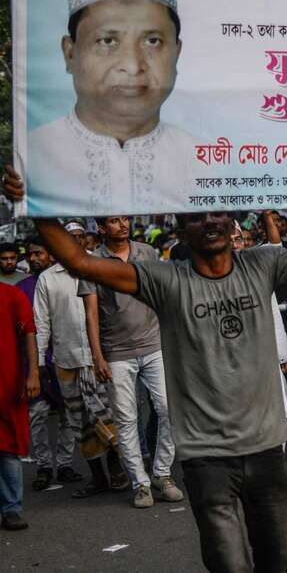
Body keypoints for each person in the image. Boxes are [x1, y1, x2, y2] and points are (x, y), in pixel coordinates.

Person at [2, 163, 287, 571]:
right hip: (206, 458)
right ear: (184, 226)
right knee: (228, 563)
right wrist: (35, 207)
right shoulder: (165, 279)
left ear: (232, 221)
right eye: (199, 215)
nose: (211, 221)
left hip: (266, 450)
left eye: (218, 213)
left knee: (276, 562)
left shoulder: (263, 265)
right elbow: (81, 264)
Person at [26, 0, 204, 216]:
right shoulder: (34, 156)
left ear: (177, 53)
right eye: (107, 41)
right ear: (70, 53)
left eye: (152, 41)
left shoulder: (205, 163)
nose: (132, 66)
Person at [81, 216, 179, 506]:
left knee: (168, 408)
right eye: (114, 221)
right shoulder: (93, 261)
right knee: (126, 419)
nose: (122, 225)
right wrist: (97, 356)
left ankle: (162, 474)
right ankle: (141, 483)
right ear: (101, 228)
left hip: (154, 344)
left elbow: (161, 294)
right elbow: (91, 313)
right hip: (116, 351)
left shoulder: (146, 252)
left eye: (125, 218)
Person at [29, 238, 97, 495]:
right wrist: (37, 364)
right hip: (61, 359)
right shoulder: (47, 279)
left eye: (80, 238)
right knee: (58, 416)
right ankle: (47, 466)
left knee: (94, 418)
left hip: (96, 358)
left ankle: (80, 467)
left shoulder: (96, 267)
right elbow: (41, 323)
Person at [1, 279, 40, 531]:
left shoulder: (11, 295)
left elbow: (29, 333)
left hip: (8, 384)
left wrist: (33, 373)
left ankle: (12, 508)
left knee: (8, 449)